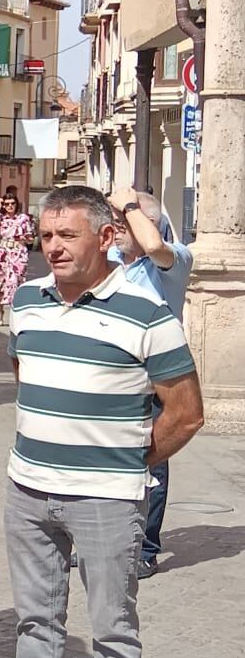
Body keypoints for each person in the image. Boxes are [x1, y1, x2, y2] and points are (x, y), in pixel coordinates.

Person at [0, 185, 203, 658]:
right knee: (35, 619)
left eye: (66, 236)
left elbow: (185, 414)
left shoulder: (148, 313)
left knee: (113, 627)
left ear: (105, 238)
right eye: (46, 237)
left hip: (107, 498)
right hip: (28, 491)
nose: (53, 248)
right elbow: (28, 381)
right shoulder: (26, 302)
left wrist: (123, 459)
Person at [109, 188, 193, 577]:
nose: (117, 227)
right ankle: (108, 541)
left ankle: (145, 547)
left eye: (125, 220)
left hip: (155, 376)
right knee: (107, 459)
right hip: (113, 375)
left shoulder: (174, 260)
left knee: (151, 463)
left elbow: (153, 245)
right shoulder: (111, 262)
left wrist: (130, 203)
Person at [0, 190, 35, 322]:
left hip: (18, 253)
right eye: (7, 204)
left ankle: (16, 314)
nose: (10, 206)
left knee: (16, 282)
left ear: (17, 204)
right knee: (0, 283)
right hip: (2, 253)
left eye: (12, 203)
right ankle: (0, 313)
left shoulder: (23, 218)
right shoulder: (1, 217)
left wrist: (24, 239)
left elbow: (31, 238)